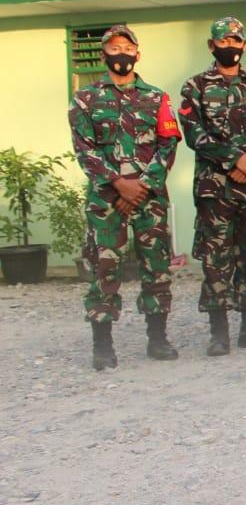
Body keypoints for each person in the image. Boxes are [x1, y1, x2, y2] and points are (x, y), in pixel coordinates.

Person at [68, 24, 181, 370]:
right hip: (107, 200)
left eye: (126, 47)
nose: (121, 53)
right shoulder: (85, 99)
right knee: (105, 267)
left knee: (156, 267)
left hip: (149, 197)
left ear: (137, 53)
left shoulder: (157, 97)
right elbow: (84, 150)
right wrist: (118, 183)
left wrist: (141, 185)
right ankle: (102, 345)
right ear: (104, 55)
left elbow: (168, 143)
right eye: (113, 48)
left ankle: (157, 339)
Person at [178, 16, 246, 356]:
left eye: (236, 41)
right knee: (216, 258)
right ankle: (218, 332)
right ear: (212, 46)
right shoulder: (195, 87)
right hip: (215, 187)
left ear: (244, 45)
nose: (230, 47)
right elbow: (194, 134)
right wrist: (233, 159)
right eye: (224, 41)